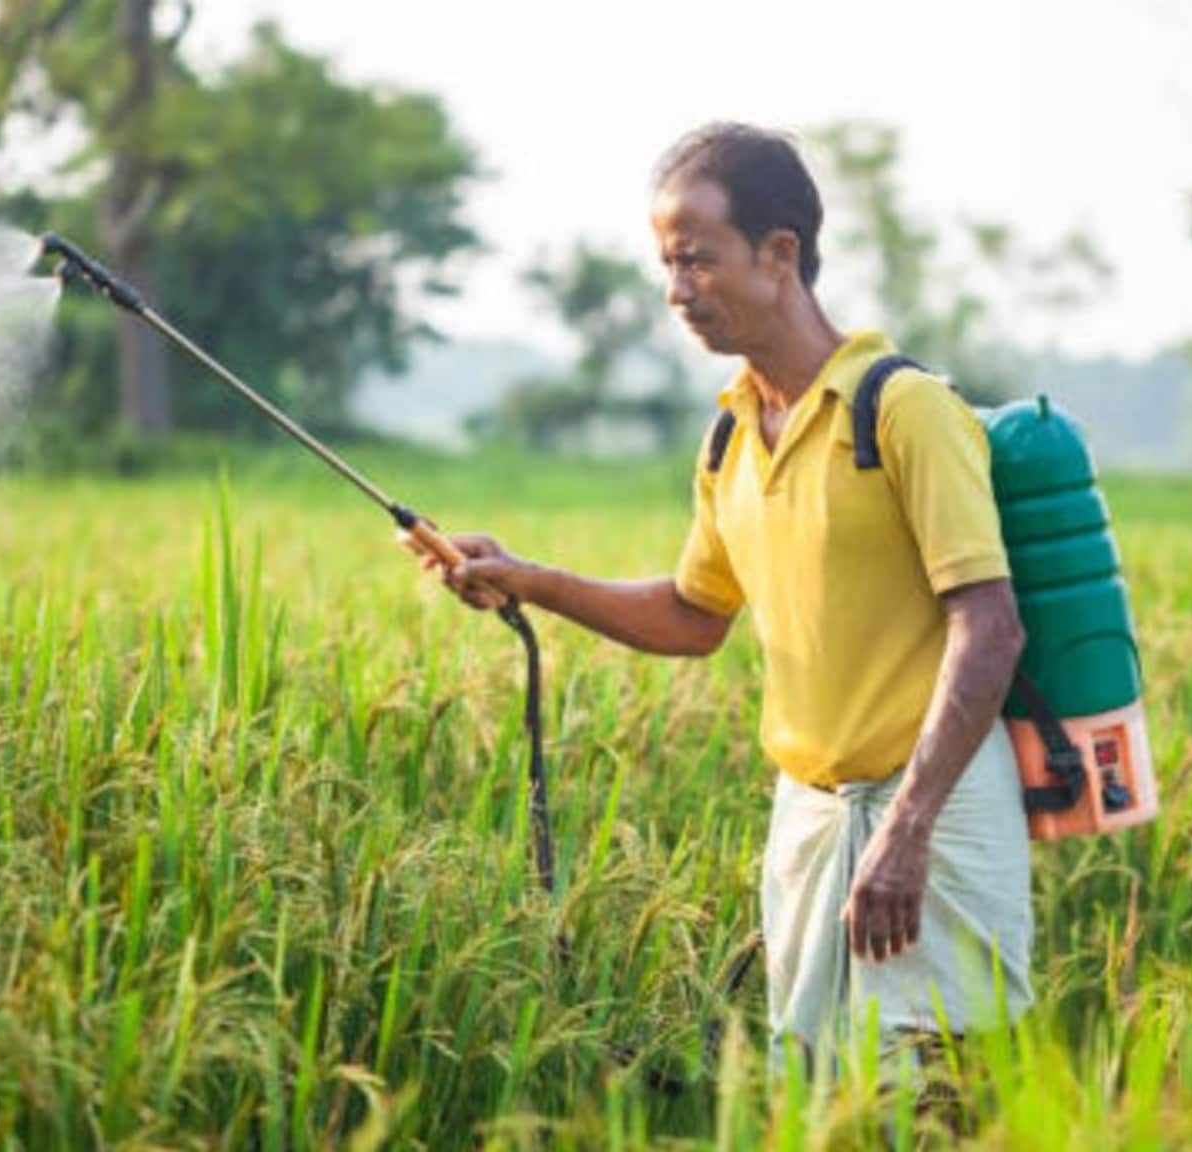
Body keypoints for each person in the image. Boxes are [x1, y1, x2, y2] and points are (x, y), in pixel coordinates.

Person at [419, 122, 1034, 1073]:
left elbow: (988, 628)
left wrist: (907, 830)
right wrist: (529, 580)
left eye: (696, 261)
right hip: (812, 821)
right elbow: (695, 617)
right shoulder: (731, 439)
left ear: (779, 252)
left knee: (932, 1093)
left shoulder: (905, 411)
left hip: (936, 817)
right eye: (667, 265)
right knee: (812, 1092)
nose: (676, 292)